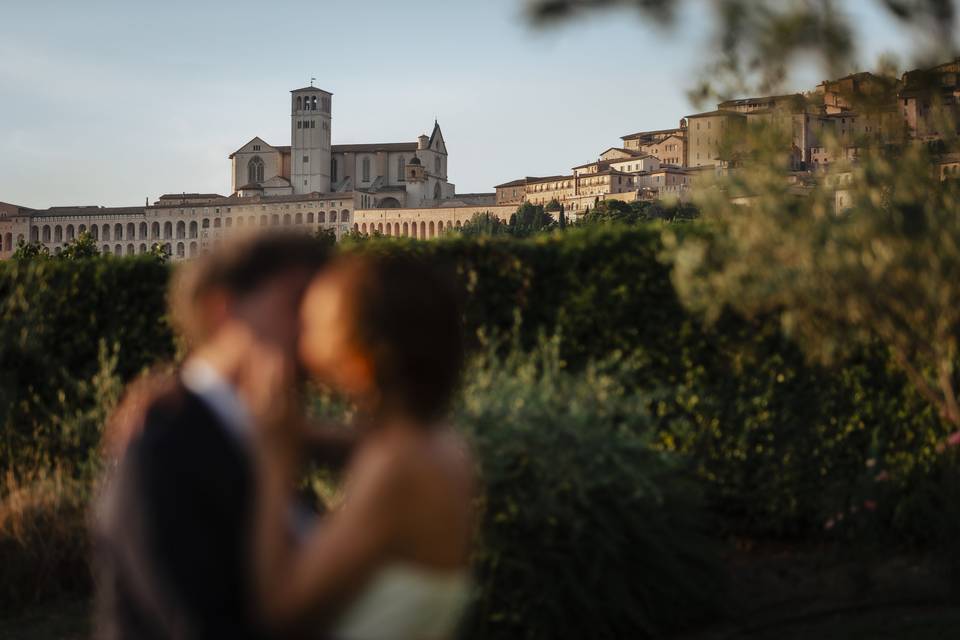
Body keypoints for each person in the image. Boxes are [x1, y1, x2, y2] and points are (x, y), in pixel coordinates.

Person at [93, 232, 331, 640]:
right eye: (294, 305)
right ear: (223, 311)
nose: (313, 331)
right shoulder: (159, 459)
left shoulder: (266, 432)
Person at [250, 254, 476, 640]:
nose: (298, 339)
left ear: (361, 359)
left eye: (315, 326)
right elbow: (355, 440)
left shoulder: (395, 469)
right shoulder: (440, 446)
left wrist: (274, 461)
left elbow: (279, 607)